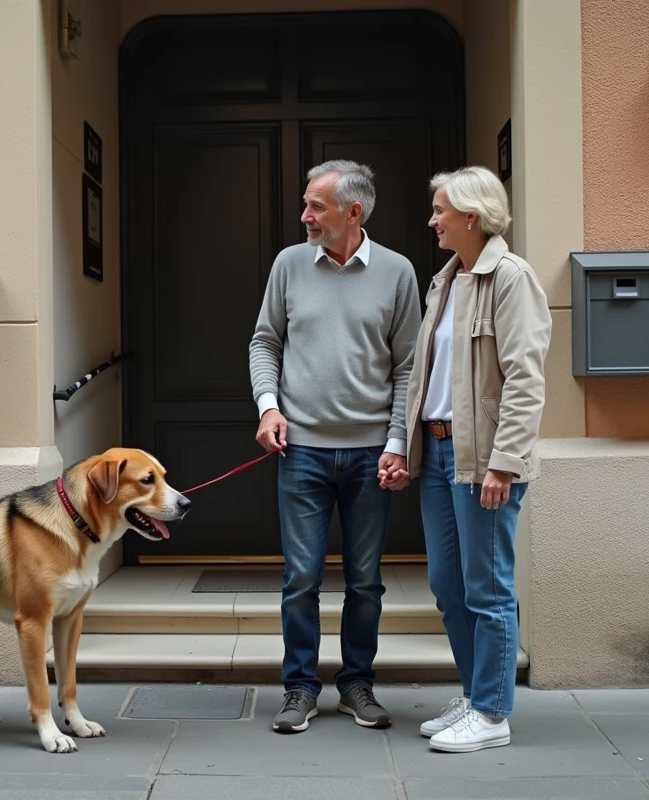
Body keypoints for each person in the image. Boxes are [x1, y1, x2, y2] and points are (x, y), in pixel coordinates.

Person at [249, 160, 422, 733]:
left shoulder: (398, 272)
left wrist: (398, 442)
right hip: (301, 451)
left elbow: (409, 369)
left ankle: (356, 684)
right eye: (306, 204)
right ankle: (299, 688)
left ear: (354, 211)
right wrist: (269, 406)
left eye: (316, 206)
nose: (304, 216)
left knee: (365, 579)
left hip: (373, 452)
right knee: (300, 577)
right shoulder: (289, 264)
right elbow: (264, 342)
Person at [396, 165, 551, 752]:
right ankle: (475, 692)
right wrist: (406, 449)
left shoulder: (511, 278)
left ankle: (491, 713)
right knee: (446, 584)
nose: (432, 220)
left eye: (440, 210)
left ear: (471, 215)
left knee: (487, 587)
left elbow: (525, 380)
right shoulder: (448, 280)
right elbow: (424, 378)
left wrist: (504, 463)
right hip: (439, 452)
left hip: (484, 458)